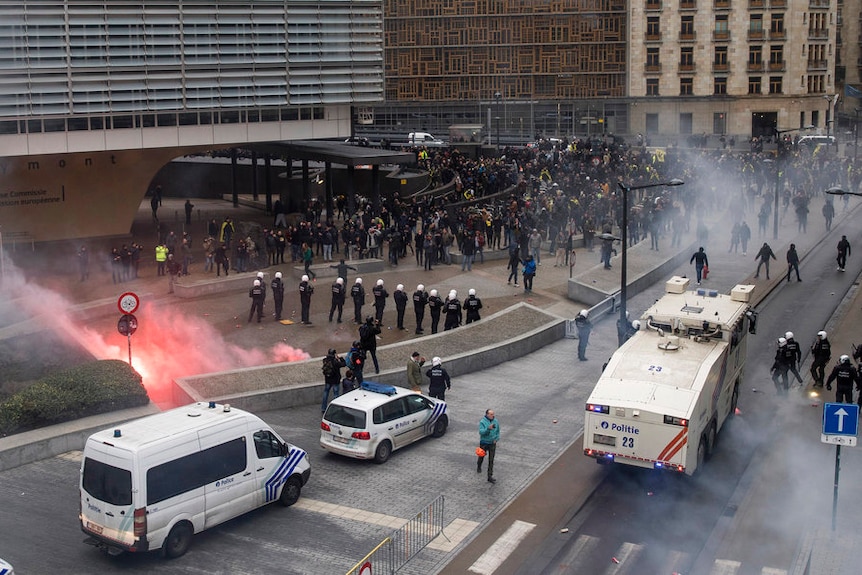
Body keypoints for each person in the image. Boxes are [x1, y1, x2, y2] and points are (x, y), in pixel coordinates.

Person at [477, 409, 500, 484]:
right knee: (481, 456)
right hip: (484, 443)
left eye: (493, 414)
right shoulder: (482, 422)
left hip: (492, 443)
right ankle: (479, 465)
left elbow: (498, 431)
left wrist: (496, 439)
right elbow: (481, 432)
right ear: (487, 414)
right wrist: (488, 429)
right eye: (491, 414)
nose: (492, 416)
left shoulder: (495, 421)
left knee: (491, 460)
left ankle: (490, 476)